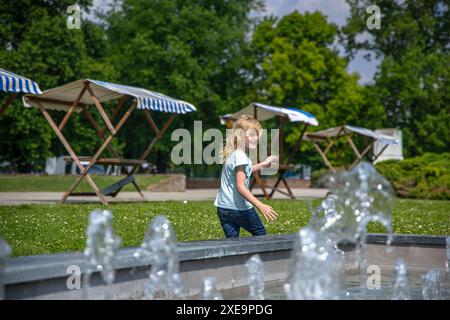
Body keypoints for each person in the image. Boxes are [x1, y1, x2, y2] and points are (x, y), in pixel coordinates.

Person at [214, 114, 279, 238]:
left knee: (232, 243)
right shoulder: (241, 157)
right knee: (260, 235)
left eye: (257, 135)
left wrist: (262, 164)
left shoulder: (234, 154)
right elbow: (241, 187)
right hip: (239, 209)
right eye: (252, 135)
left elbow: (244, 171)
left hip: (223, 208)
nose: (256, 138)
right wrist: (260, 205)